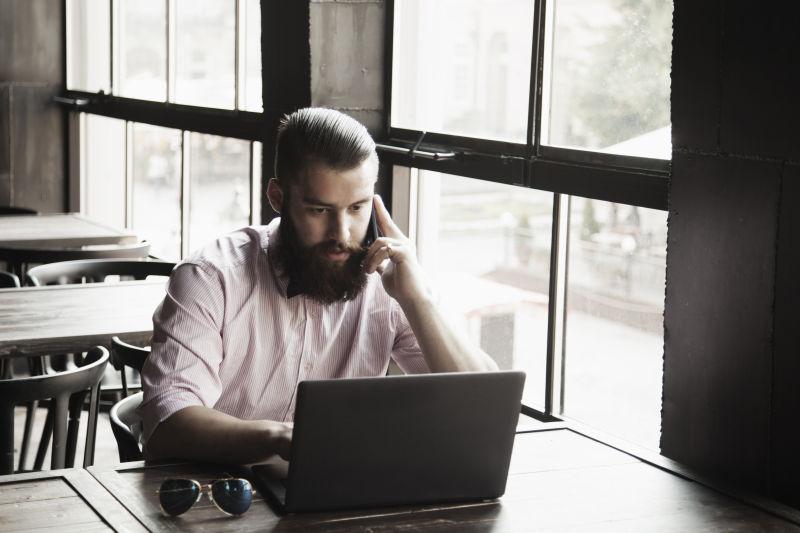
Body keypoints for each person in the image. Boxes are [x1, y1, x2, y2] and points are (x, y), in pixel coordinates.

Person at [140, 107, 497, 463]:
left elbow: (485, 407)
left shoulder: (390, 282)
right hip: (217, 495)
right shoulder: (210, 276)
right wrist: (282, 438)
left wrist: (419, 301)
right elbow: (166, 423)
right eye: (320, 211)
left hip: (338, 497)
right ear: (278, 198)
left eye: (357, 209)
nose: (342, 235)